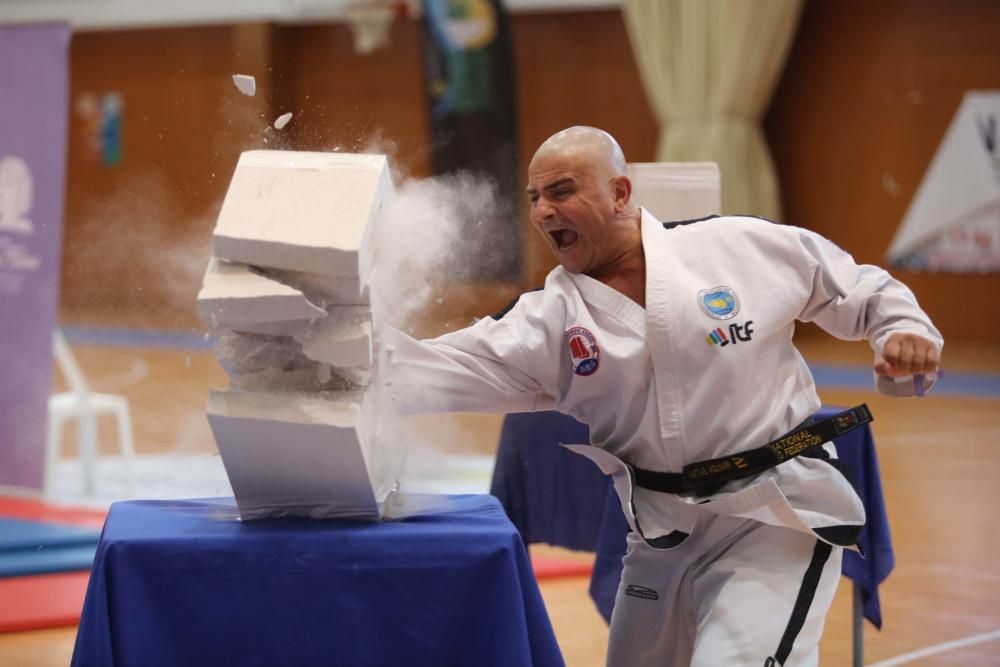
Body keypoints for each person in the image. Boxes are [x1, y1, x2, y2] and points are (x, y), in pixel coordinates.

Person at [381, 126, 942, 666]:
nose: (543, 211)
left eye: (561, 191)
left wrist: (901, 332)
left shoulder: (735, 247)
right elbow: (429, 367)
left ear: (620, 193)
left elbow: (862, 289)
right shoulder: (547, 319)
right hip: (662, 533)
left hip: (776, 514)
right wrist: (320, 352)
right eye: (534, 198)